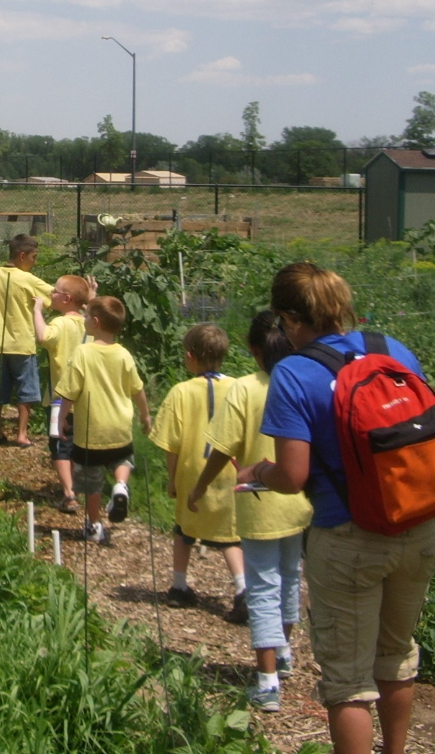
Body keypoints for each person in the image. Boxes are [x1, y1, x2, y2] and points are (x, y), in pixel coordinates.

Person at [236, 262, 435, 754]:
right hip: (417, 523)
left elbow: (293, 475)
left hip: (347, 537)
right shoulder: (392, 349)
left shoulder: (294, 373)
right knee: (397, 657)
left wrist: (259, 472)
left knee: (348, 681)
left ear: (290, 319)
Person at [188, 311, 312, 713]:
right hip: (300, 501)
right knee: (291, 579)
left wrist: (201, 485)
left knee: (263, 588)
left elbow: (222, 448)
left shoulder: (243, 389)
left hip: (259, 502)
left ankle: (267, 680)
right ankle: (286, 653)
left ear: (255, 351)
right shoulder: (299, 383)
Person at [150, 323, 246, 616]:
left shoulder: (180, 392)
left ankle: (179, 586)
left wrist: (172, 479)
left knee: (184, 529)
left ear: (189, 356)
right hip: (229, 469)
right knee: (230, 535)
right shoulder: (238, 387)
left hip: (192, 470)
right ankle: (242, 589)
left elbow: (172, 444)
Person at [56, 296, 151, 544]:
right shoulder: (124, 354)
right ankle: (121, 485)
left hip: (91, 431)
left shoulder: (83, 353)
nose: (84, 318)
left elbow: (69, 391)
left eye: (87, 316)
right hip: (119, 427)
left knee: (91, 483)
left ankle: (94, 524)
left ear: (95, 322)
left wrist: (61, 418)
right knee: (122, 460)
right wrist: (145, 414)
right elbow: (137, 390)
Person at [0, 234, 53, 447]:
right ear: (22, 255)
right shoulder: (28, 279)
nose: (35, 262)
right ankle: (22, 434)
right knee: (27, 390)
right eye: (34, 257)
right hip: (22, 344)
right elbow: (57, 296)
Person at [33, 274, 91, 513]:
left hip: (60, 398)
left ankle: (69, 493)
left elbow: (42, 337)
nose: (50, 294)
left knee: (59, 445)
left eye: (55, 292)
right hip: (86, 399)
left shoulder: (60, 323)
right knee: (80, 444)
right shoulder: (89, 324)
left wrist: (36, 310)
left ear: (66, 299)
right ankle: (80, 486)